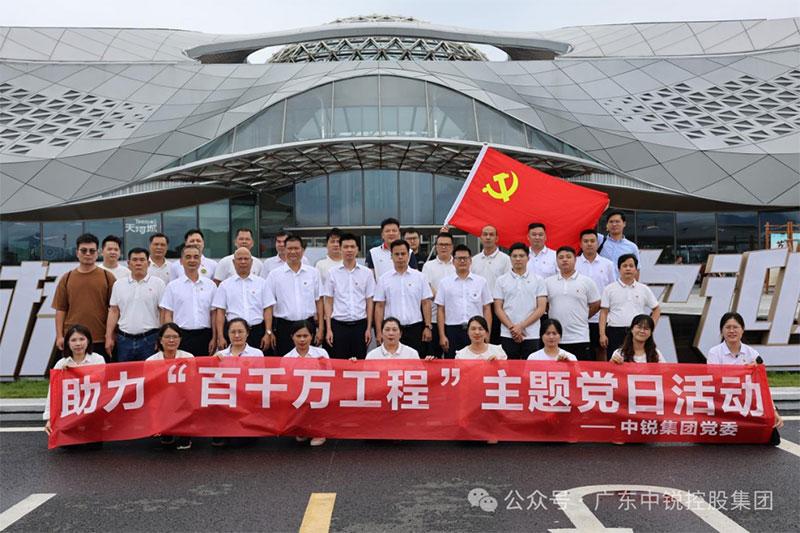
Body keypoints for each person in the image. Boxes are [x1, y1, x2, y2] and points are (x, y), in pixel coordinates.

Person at [706, 312, 784, 430]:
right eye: (727, 327)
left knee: (770, 433)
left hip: (746, 404)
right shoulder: (714, 352)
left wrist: (773, 410)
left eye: (735, 327)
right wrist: (743, 372)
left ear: (742, 330)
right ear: (722, 330)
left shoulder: (752, 353)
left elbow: (762, 386)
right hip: (722, 403)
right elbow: (714, 381)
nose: (732, 331)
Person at [53, 233, 115, 360]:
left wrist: (111, 335)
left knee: (100, 372)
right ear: (77, 253)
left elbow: (115, 310)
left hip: (100, 338)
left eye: (92, 251)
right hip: (73, 339)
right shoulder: (67, 278)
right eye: (84, 250)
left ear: (97, 253)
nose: (88, 254)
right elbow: (60, 309)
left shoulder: (107, 277)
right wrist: (59, 336)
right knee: (72, 371)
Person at [264, 235, 323, 356]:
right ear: (284, 250)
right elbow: (268, 305)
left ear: (303, 250)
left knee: (309, 361)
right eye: (289, 248)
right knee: (285, 362)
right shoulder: (274, 275)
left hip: (308, 325)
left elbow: (319, 301)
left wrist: (321, 329)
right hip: (284, 327)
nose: (293, 252)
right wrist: (269, 331)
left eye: (296, 248)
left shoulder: (313, 273)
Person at [43, 325, 106, 438]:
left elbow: (100, 380)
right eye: (73, 340)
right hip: (70, 412)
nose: (78, 344)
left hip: (92, 410)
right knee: (70, 444)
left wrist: (75, 371)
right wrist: (50, 418)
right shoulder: (61, 364)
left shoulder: (97, 359)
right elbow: (53, 393)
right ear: (67, 343)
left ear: (88, 341)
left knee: (93, 444)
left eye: (82, 339)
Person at [373, 239, 432, 357]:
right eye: (397, 254)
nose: (400, 257)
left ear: (408, 255)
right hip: (392, 331)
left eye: (403, 254)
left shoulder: (420, 277)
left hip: (415, 329)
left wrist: (427, 326)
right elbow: (379, 306)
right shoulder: (384, 279)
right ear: (391, 256)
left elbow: (426, 303)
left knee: (416, 362)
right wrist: (379, 332)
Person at [105, 247, 165, 362]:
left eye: (142, 260)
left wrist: (161, 337)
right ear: (128, 264)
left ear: (148, 263)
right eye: (135, 260)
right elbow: (113, 311)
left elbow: (163, 312)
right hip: (124, 340)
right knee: (124, 372)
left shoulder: (158, 284)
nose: (138, 263)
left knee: (150, 372)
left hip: (150, 339)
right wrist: (108, 336)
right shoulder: (118, 284)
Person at [544, 246, 601, 361]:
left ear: (575, 260)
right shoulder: (548, 282)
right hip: (555, 338)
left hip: (580, 336)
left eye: (568, 257)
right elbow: (545, 305)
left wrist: (583, 315)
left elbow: (596, 304)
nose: (565, 260)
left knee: (580, 370)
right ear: (557, 261)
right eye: (561, 258)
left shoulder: (586, 281)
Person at [212, 247, 275, 351]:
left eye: (246, 259)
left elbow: (268, 309)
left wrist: (268, 332)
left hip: (257, 332)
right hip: (233, 333)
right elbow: (220, 312)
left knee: (257, 360)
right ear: (234, 262)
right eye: (239, 259)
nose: (243, 262)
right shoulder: (225, 285)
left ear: (251, 261)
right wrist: (220, 336)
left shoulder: (262, 283)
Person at [599, 254, 661, 360]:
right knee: (615, 361)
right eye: (624, 266)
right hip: (615, 331)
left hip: (637, 332)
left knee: (637, 360)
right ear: (619, 269)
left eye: (631, 266)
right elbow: (604, 312)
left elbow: (656, 308)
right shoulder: (609, 289)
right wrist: (602, 334)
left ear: (636, 270)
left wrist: (650, 328)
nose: (628, 269)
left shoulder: (643, 289)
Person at [436, 245, 493, 358]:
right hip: (453, 331)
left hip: (476, 331)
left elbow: (486, 308)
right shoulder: (445, 282)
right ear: (453, 261)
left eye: (465, 258)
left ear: (470, 261)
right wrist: (442, 335)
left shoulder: (481, 282)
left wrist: (487, 332)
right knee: (453, 363)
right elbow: (440, 310)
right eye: (459, 258)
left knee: (477, 362)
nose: (462, 261)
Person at [159, 245, 217, 357]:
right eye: (188, 257)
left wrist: (214, 338)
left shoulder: (210, 285)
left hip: (205, 336)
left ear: (200, 261)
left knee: (203, 367)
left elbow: (214, 314)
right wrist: (170, 338)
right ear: (181, 261)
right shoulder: (172, 286)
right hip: (181, 337)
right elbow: (168, 315)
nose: (192, 260)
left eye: (196, 257)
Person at [324, 233, 374, 359]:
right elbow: (328, 302)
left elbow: (369, 301)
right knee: (339, 362)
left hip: (360, 326)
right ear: (340, 249)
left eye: (352, 247)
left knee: (359, 362)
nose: (349, 250)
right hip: (338, 326)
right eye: (346, 247)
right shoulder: (332, 273)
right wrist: (328, 329)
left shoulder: (366, 273)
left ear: (357, 249)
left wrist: (368, 328)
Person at [494, 242, 547, 359]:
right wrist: (512, 329)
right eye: (514, 256)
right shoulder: (501, 280)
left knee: (530, 367)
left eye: (521, 256)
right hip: (508, 333)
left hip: (531, 333)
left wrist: (521, 326)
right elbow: (498, 308)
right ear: (510, 258)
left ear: (528, 258)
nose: (518, 259)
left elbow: (541, 308)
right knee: (509, 367)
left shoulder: (538, 280)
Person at [283, 320, 329, 447]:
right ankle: (303, 429)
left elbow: (330, 375)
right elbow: (285, 381)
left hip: (318, 391)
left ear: (312, 336)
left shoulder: (321, 353)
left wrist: (321, 365)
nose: (302, 340)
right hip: (297, 393)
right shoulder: (287, 358)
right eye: (298, 336)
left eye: (305, 336)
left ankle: (319, 432)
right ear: (292, 337)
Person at [576, 229, 616, 361]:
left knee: (601, 350)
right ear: (581, 244)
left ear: (597, 243)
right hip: (579, 317)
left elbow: (612, 290)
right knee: (581, 352)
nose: (589, 244)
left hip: (601, 318)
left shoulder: (608, 264)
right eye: (586, 241)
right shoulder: (574, 263)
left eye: (592, 241)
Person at [471, 225, 511, 344]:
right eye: (485, 234)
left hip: (498, 306)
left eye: (491, 235)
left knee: (494, 342)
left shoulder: (506, 260)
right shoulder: (474, 260)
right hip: (478, 305)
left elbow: (508, 284)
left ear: (497, 238)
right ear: (480, 238)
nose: (488, 237)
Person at [422, 232, 455, 357]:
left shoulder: (458, 264)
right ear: (436, 247)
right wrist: (443, 301)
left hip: (453, 320)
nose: (444, 247)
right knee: (433, 357)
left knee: (453, 358)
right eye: (441, 244)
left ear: (452, 247)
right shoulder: (428, 266)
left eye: (447, 245)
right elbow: (427, 288)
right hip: (434, 318)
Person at [598, 210, 639, 277]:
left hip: (622, 282)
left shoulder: (632, 246)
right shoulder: (599, 241)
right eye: (611, 222)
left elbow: (636, 270)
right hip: (604, 282)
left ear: (624, 224)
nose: (614, 224)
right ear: (607, 224)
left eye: (617, 221)